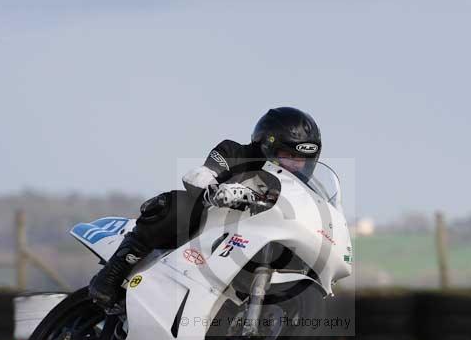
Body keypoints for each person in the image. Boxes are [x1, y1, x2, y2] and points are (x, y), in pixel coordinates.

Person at [88, 106, 322, 308]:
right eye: (289, 155)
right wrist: (215, 190)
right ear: (266, 145)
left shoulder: (296, 193)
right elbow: (200, 174)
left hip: (248, 246)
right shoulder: (234, 152)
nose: (296, 165)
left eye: (302, 160)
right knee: (180, 205)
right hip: (204, 234)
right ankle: (112, 273)